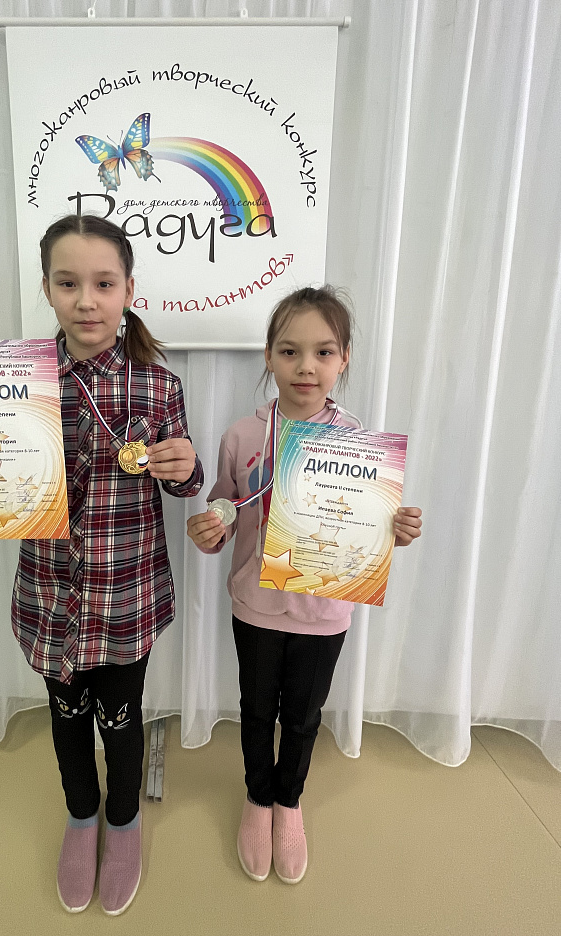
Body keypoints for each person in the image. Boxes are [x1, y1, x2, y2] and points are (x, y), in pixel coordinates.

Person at [0, 214, 203, 916]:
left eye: (104, 284)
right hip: (50, 593)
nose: (86, 300)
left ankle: (122, 820)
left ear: (129, 290)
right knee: (66, 716)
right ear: (46, 289)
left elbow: (185, 484)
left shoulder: (158, 386)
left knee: (121, 718)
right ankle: (81, 814)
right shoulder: (7, 383)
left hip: (125, 596)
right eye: (68, 284)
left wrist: (185, 467)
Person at [187, 286, 422, 885]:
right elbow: (224, 509)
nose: (306, 367)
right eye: (289, 351)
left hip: (325, 612)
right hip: (256, 605)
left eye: (323, 352)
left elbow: (364, 533)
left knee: (303, 715)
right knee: (256, 709)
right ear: (268, 356)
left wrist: (394, 531)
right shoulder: (242, 436)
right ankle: (257, 798)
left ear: (344, 359)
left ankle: (288, 802)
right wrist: (210, 528)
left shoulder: (357, 444)